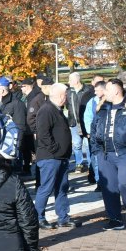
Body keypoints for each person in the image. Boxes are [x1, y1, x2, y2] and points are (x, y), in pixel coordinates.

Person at [90, 79, 126, 230]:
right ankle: (115, 218)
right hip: (105, 154)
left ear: (116, 91)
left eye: (107, 90)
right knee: (109, 188)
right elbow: (94, 128)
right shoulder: (102, 109)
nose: (104, 93)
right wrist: (96, 151)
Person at [34, 83, 76, 229]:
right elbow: (43, 134)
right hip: (50, 157)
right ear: (60, 96)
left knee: (62, 187)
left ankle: (63, 217)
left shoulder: (56, 109)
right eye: (66, 95)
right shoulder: (46, 110)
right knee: (46, 188)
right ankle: (38, 218)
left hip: (60, 157)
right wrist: (55, 149)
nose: (67, 98)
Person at [66, 72, 93, 172]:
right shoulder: (69, 92)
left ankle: (91, 164)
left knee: (87, 143)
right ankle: (79, 163)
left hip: (85, 122)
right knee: (77, 144)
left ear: (76, 80)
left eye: (70, 80)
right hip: (74, 122)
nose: (68, 82)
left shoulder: (88, 91)